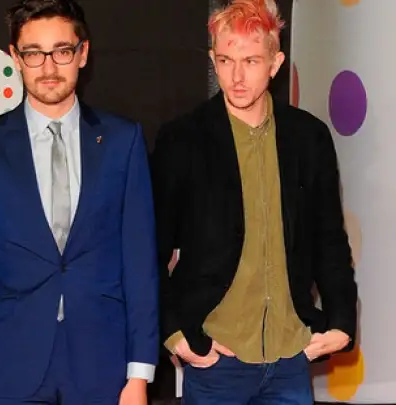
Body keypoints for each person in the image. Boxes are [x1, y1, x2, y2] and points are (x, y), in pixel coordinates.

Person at [0, 1, 159, 404]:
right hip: (8, 365)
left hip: (104, 366)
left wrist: (139, 374)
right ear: (15, 57)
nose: (48, 67)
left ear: (83, 53)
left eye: (62, 51)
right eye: (34, 53)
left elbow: (139, 263)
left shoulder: (122, 141)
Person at [151, 0, 358, 403]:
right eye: (225, 61)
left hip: (291, 355)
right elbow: (150, 248)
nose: (237, 76)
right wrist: (174, 333)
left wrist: (341, 323)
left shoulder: (309, 138)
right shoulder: (182, 140)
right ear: (213, 59)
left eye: (251, 61)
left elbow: (329, 239)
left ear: (275, 63)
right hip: (215, 358)